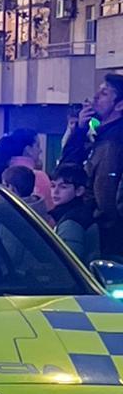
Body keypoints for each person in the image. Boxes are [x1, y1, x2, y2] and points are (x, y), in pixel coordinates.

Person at [63, 74, 123, 257]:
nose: (95, 97)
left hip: (107, 240)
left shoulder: (114, 141)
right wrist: (79, 131)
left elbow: (106, 196)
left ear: (120, 105)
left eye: (104, 93)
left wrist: (101, 224)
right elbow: (67, 168)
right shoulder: (101, 136)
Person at [50, 163, 101, 264]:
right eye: (53, 185)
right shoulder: (81, 212)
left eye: (63, 187)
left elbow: (67, 261)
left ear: (79, 191)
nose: (55, 191)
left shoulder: (71, 222)